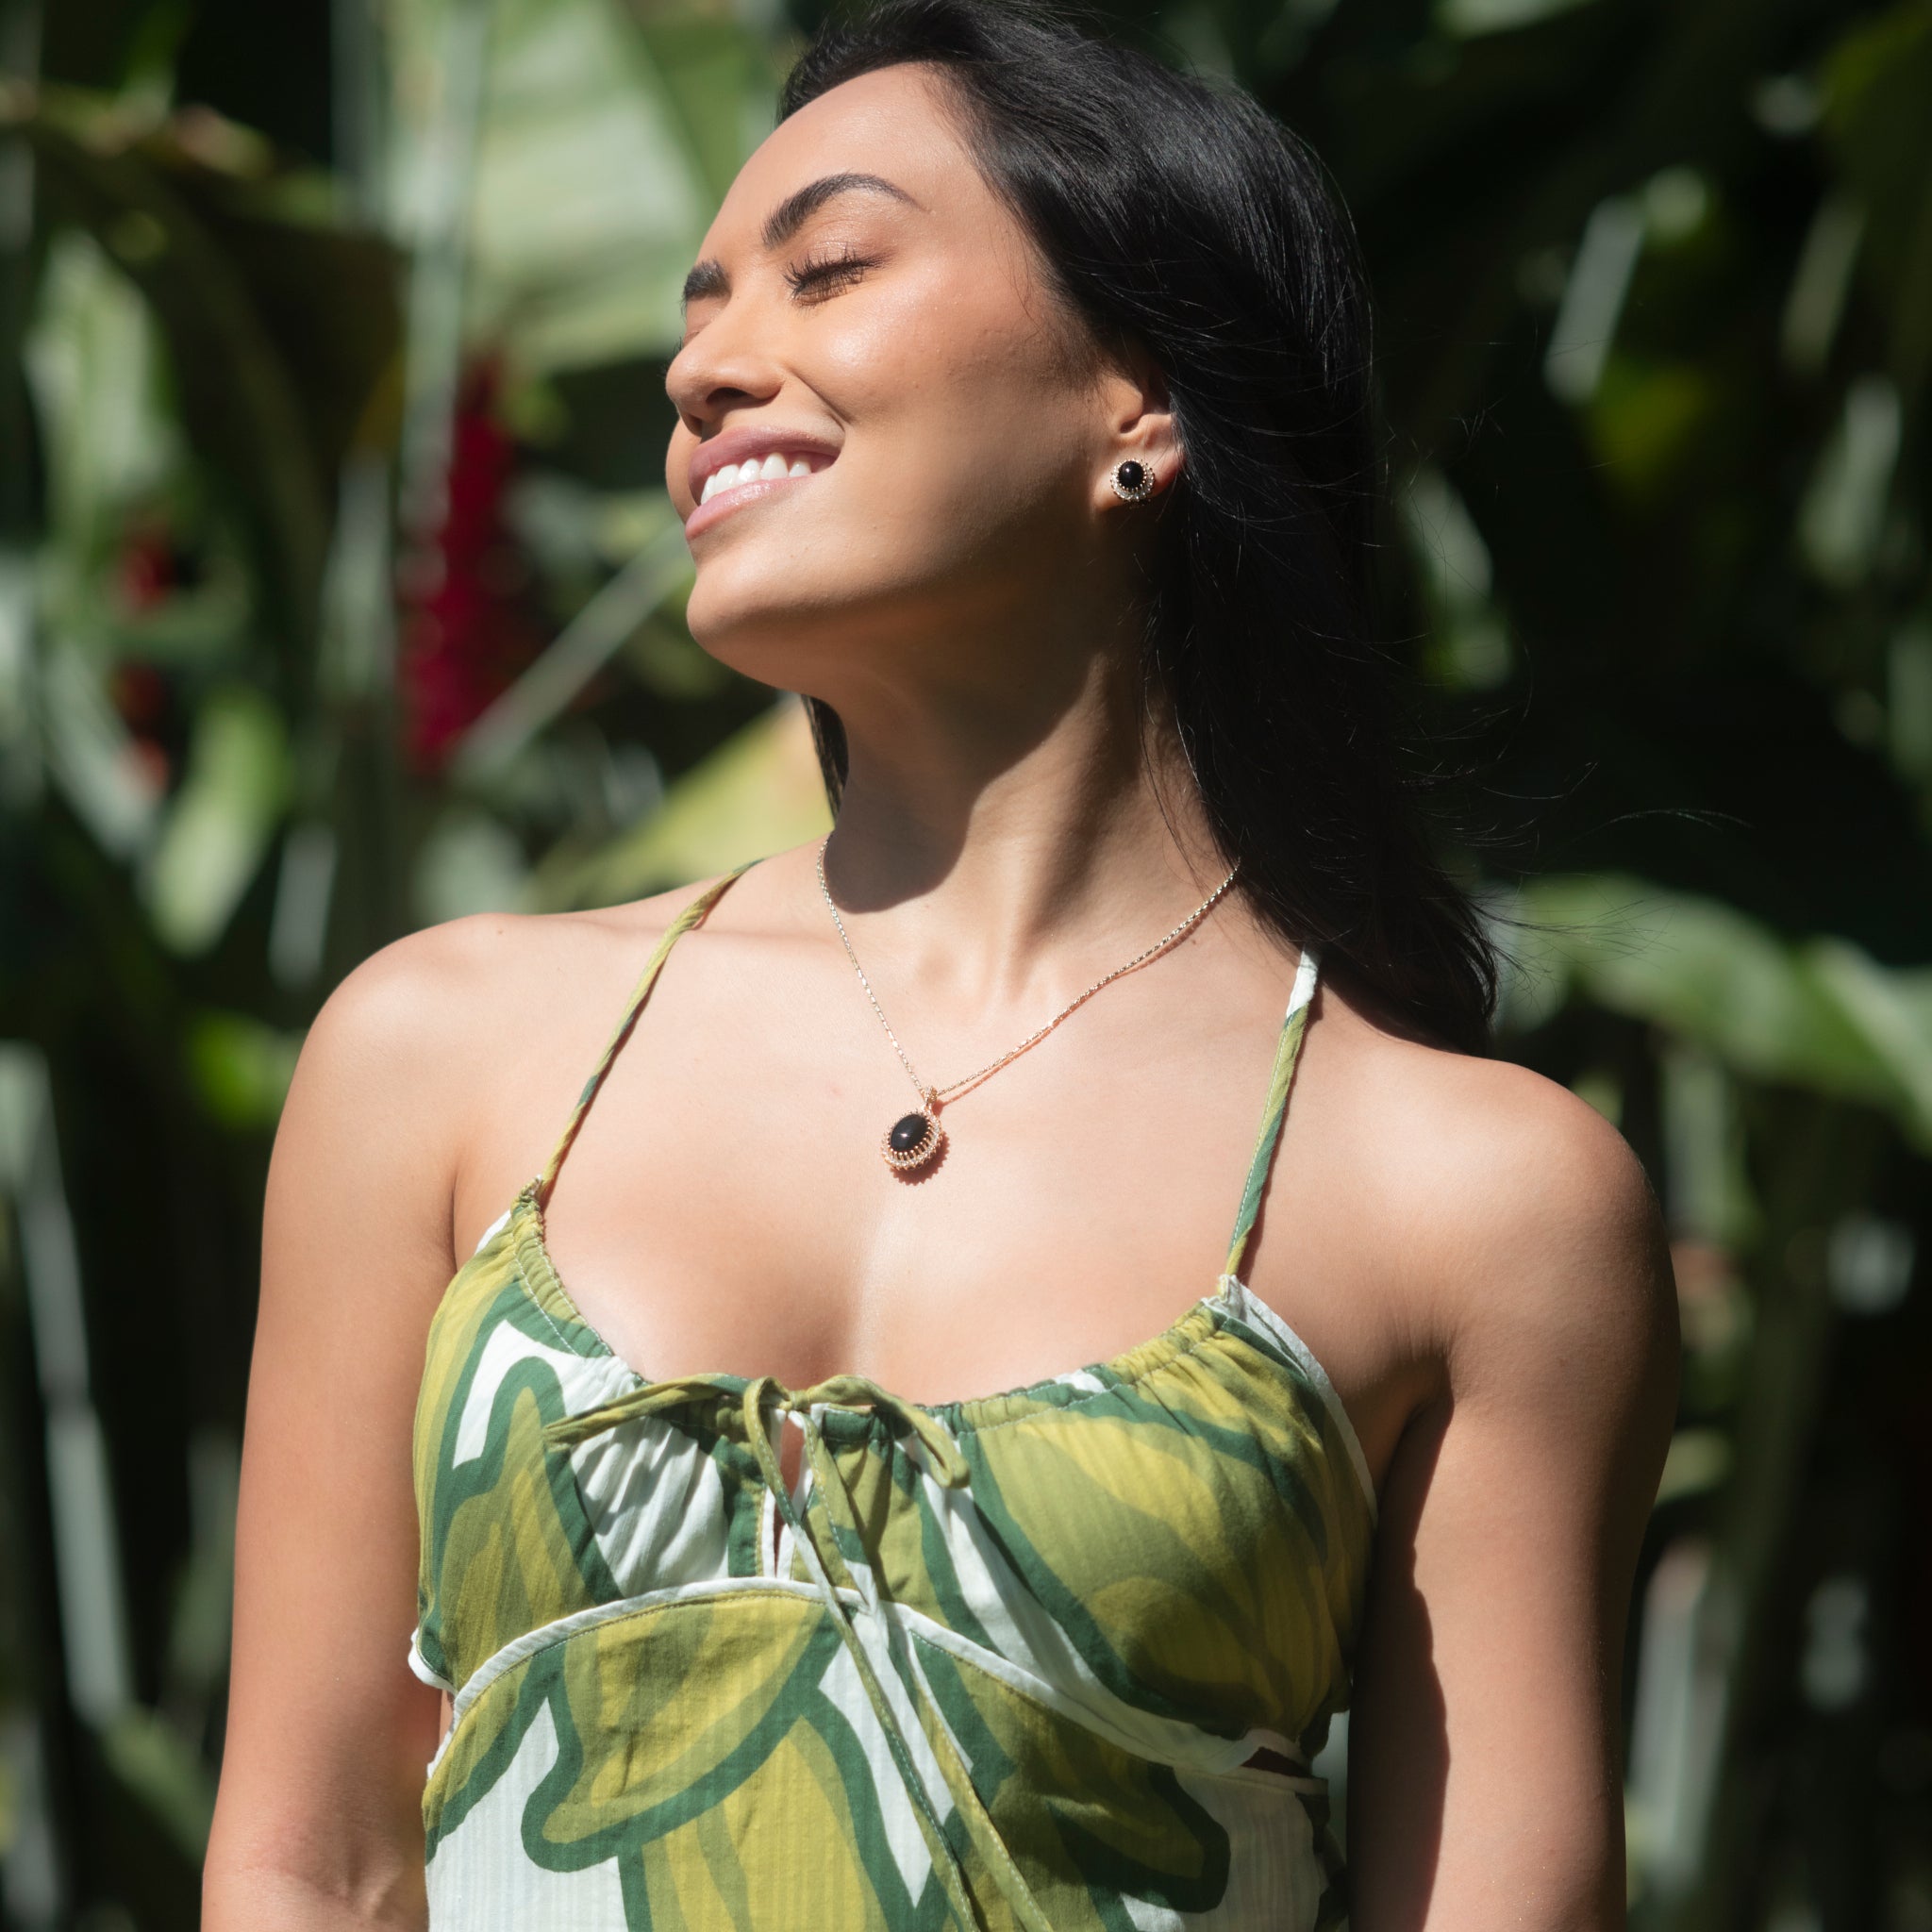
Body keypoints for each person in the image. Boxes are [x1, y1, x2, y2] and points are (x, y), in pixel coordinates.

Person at [204, 1, 1676, 1925]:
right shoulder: (446, 1052)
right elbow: (312, 1862)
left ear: (1137, 398)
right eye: (700, 305)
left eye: (829, 270)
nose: (708, 366)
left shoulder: (1475, 1198)